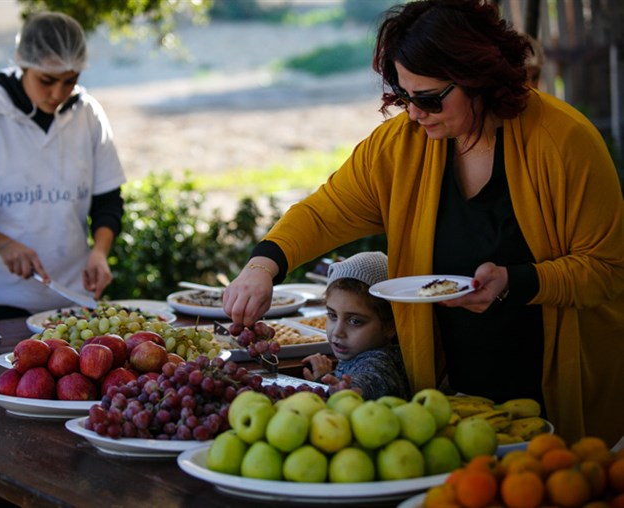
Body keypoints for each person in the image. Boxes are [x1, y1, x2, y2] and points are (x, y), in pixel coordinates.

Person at [223, 0, 624, 445]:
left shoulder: (565, 141)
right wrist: (264, 265)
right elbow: (324, 211)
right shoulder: (402, 145)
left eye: (429, 99)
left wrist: (517, 281)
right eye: (402, 96)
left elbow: (608, 270)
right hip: (449, 401)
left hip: (564, 396)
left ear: (480, 78)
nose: (414, 113)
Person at [0, 12, 127, 322]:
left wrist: (99, 252)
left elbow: (108, 200)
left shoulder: (88, 114)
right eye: (47, 80)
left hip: (71, 296)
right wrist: (3, 245)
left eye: (70, 81)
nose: (58, 93)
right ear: (22, 64)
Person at [301, 252, 411, 400]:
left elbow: (371, 381)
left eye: (355, 321)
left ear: (390, 326)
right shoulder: (358, 352)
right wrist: (324, 377)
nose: (338, 332)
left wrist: (347, 391)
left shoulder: (380, 363)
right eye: (333, 316)